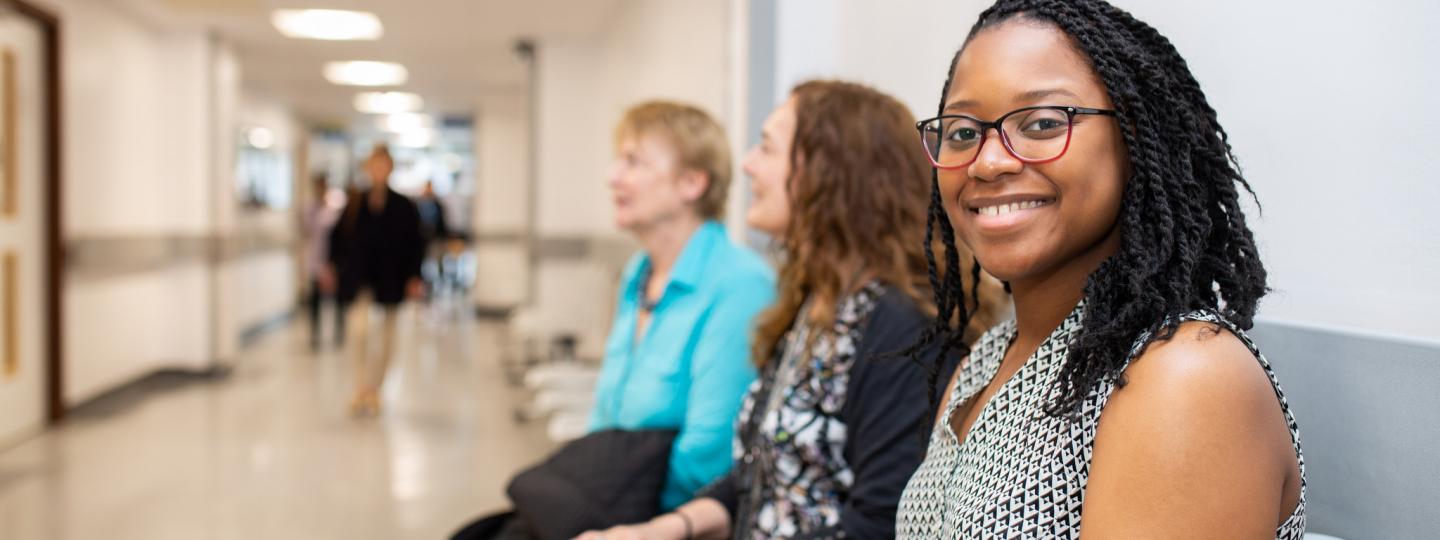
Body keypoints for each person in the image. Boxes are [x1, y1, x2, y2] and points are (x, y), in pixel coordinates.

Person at [894, 1, 1306, 538]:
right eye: (963, 132)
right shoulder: (990, 356)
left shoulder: (1183, 375)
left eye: (1042, 122)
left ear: (1135, 137)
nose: (989, 161)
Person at [579, 81, 1007, 540]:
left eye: (766, 148)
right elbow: (761, 473)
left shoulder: (902, 328)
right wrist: (669, 528)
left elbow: (880, 525)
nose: (746, 165)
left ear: (829, 173)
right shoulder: (818, 304)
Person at [327, 144, 426, 416]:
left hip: (392, 279)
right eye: (374, 165)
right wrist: (333, 267)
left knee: (387, 338)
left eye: (383, 165)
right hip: (359, 279)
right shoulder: (355, 202)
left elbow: (416, 244)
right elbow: (337, 238)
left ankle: (375, 389)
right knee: (358, 330)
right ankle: (360, 387)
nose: (378, 171)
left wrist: (415, 276)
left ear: (390, 168)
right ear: (368, 168)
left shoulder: (404, 206)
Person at [304, 173, 342, 349]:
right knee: (315, 300)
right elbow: (306, 231)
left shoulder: (335, 209)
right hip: (315, 259)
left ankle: (338, 334)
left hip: (333, 259)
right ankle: (315, 335)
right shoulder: (309, 209)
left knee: (337, 298)